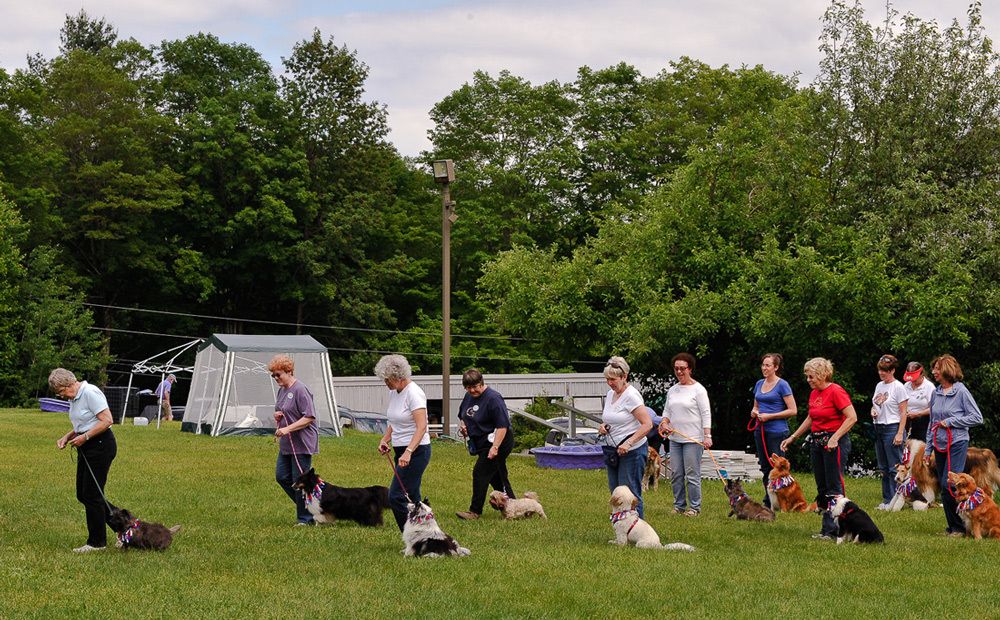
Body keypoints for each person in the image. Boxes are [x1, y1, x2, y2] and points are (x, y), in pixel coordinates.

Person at [780, 357, 857, 540]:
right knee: (822, 487)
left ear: (822, 375)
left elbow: (852, 417)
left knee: (834, 487)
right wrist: (793, 437)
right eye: (807, 376)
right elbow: (811, 418)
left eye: (811, 376)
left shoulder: (836, 391)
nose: (808, 380)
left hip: (834, 444)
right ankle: (826, 529)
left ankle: (839, 529)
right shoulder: (814, 393)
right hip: (817, 442)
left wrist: (835, 438)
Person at [51, 368, 118, 553]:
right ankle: (125, 528)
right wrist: (67, 436)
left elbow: (107, 420)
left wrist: (85, 437)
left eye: (62, 391)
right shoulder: (75, 397)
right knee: (84, 494)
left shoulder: (90, 393)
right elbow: (83, 423)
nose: (63, 396)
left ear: (70, 383)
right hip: (87, 445)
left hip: (101, 445)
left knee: (92, 494)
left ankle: (97, 543)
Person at [926, 354, 983, 537]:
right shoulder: (935, 392)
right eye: (933, 368)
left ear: (946, 370)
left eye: (937, 368)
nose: (933, 372)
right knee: (945, 486)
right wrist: (928, 449)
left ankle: (960, 527)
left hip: (957, 442)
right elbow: (932, 422)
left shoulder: (961, 391)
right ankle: (954, 527)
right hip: (939, 444)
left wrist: (951, 421)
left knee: (949, 483)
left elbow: (976, 417)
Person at [375, 354, 431, 531]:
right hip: (402, 451)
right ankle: (426, 534)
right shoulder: (394, 392)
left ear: (398, 376)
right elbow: (394, 421)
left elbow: (422, 427)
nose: (386, 384)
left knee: (396, 496)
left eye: (387, 380)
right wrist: (386, 438)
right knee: (413, 498)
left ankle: (412, 535)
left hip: (417, 451)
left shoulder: (414, 393)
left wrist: (408, 451)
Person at [455, 368, 515, 520]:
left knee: (480, 472)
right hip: (481, 442)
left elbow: (502, 426)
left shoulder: (493, 398)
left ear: (482, 382)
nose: (472, 390)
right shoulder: (468, 397)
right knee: (496, 475)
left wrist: (495, 447)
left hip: (499, 441)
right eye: (468, 388)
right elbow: (463, 414)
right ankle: (514, 505)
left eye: (475, 386)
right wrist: (464, 426)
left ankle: (474, 512)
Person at [598, 356, 652, 518]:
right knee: (616, 492)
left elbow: (647, 424)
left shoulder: (632, 396)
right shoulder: (610, 394)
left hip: (632, 452)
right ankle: (621, 528)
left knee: (630, 493)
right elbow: (610, 418)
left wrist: (628, 443)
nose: (610, 383)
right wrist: (603, 426)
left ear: (624, 377)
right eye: (607, 379)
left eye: (613, 379)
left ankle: (637, 527)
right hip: (613, 451)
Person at [658, 353, 711, 517]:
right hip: (675, 439)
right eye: (676, 369)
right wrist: (665, 422)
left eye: (683, 368)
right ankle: (679, 505)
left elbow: (706, 413)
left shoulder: (698, 390)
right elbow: (667, 411)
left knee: (692, 474)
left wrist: (707, 435)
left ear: (690, 369)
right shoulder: (673, 390)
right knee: (676, 473)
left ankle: (695, 508)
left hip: (693, 439)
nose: (679, 372)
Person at [268, 354, 319, 526]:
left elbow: (309, 417)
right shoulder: (282, 390)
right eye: (273, 375)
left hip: (302, 443)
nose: (276, 378)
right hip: (287, 443)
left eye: (278, 374)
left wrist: (287, 428)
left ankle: (306, 519)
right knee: (282, 477)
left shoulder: (300, 389)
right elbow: (282, 410)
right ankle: (312, 509)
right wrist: (278, 415)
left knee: (301, 481)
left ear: (289, 371)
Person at [749, 353, 797, 509]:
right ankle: (769, 500)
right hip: (760, 429)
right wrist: (754, 412)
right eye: (763, 365)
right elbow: (756, 405)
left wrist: (771, 416)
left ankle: (785, 500)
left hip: (777, 431)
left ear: (776, 367)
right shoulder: (759, 384)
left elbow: (792, 410)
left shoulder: (783, 385)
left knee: (778, 468)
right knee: (764, 467)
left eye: (768, 365)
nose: (764, 368)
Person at [870, 354, 908, 510]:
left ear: (892, 370)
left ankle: (896, 501)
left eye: (885, 370)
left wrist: (900, 433)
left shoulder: (899, 387)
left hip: (893, 427)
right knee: (884, 467)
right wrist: (873, 410)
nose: (881, 373)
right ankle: (886, 500)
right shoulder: (879, 385)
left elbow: (904, 412)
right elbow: (877, 404)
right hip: (879, 427)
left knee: (894, 468)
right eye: (880, 370)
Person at [902, 361, 934, 442]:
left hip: (923, 422)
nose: (912, 381)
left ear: (922, 374)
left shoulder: (929, 387)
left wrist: (918, 414)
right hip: (907, 422)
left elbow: (934, 408)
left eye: (915, 379)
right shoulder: (906, 385)